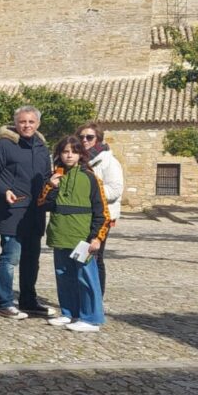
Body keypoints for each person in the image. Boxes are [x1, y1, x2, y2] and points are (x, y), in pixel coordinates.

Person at [0, 105, 53, 320]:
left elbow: (46, 175)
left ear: (38, 124)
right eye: (23, 121)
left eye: (31, 122)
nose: (27, 125)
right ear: (16, 123)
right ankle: (4, 302)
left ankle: (28, 300)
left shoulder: (41, 147)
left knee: (32, 259)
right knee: (10, 257)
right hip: (12, 210)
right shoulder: (4, 145)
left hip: (35, 212)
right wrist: (4, 190)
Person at [38, 135, 110, 332]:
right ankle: (69, 313)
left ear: (80, 154)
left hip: (83, 238)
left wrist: (97, 237)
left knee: (86, 278)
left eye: (73, 151)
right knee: (64, 276)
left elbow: (102, 211)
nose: (69, 155)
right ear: (60, 154)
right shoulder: (56, 176)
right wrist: (51, 187)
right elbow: (43, 204)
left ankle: (91, 318)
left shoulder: (91, 178)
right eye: (65, 151)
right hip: (60, 234)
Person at [78, 121, 123, 297]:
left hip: (101, 217)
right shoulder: (77, 160)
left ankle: (96, 299)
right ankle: (83, 296)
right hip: (80, 216)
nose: (84, 140)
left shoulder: (108, 161)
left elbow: (115, 190)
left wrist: (87, 193)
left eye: (89, 137)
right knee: (81, 256)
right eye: (81, 137)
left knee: (95, 256)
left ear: (98, 139)